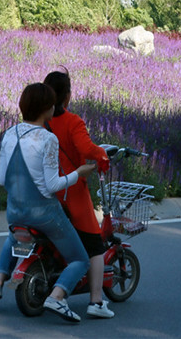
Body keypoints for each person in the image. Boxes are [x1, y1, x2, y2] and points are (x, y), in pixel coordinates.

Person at [0, 82, 97, 323]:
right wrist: (79, 173)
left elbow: (2, 179)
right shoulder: (47, 139)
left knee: (14, 237)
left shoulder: (9, 134)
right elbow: (52, 186)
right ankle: (57, 296)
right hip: (44, 214)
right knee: (80, 259)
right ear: (47, 108)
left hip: (15, 211)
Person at [43, 69, 115, 319]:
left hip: (44, 192)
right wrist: (101, 156)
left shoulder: (40, 122)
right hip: (71, 193)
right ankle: (96, 301)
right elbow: (86, 147)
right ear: (68, 96)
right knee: (95, 247)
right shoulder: (73, 122)